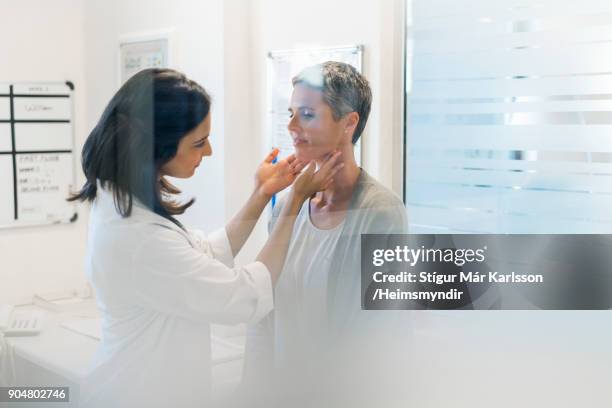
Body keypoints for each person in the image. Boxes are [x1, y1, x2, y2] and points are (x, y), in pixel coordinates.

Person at [69, 68, 343, 408]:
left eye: (307, 114)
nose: (209, 151)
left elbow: (206, 255)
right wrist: (294, 201)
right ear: (155, 146)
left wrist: (262, 194)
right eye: (199, 142)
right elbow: (243, 296)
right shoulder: (137, 236)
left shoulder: (121, 201)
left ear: (349, 123)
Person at [242, 62, 410, 407]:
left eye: (306, 114)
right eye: (290, 113)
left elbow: (377, 337)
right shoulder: (286, 207)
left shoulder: (381, 214)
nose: (291, 126)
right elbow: (262, 310)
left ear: (349, 123)